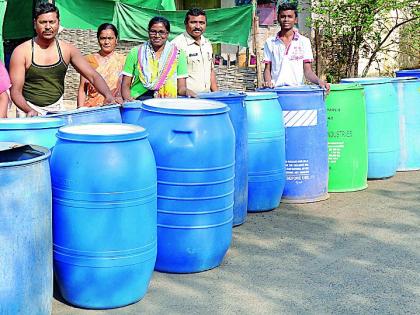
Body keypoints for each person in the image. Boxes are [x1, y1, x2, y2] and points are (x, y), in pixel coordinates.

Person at [9, 2, 118, 117]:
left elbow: (93, 76)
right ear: (35, 24)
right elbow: (15, 92)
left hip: (57, 108)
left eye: (52, 22)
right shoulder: (21, 52)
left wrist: (108, 96)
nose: (47, 27)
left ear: (58, 23)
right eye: (43, 22)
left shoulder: (67, 50)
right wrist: (29, 110)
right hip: (27, 108)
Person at [121, 16, 194, 101]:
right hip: (138, 100)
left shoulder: (178, 54)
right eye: (153, 32)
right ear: (148, 32)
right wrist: (129, 101)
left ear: (167, 33)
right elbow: (125, 84)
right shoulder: (136, 52)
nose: (157, 35)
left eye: (161, 32)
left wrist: (187, 91)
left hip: (167, 101)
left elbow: (181, 88)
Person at [263, 2, 330, 93]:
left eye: (290, 16)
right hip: (276, 92)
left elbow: (308, 71)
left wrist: (319, 82)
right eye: (283, 16)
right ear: (278, 18)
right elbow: (267, 69)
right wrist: (268, 82)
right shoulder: (270, 42)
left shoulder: (304, 42)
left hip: (297, 92)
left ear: (296, 20)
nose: (286, 19)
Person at [77, 23, 125, 107]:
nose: (106, 42)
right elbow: (82, 88)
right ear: (98, 40)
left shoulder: (123, 61)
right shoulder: (88, 60)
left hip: (116, 106)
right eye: (103, 38)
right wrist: (79, 109)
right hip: (92, 108)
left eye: (110, 38)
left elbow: (127, 86)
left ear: (116, 40)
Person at [172, 8, 218, 94]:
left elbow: (210, 70)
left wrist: (217, 94)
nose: (197, 26)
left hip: (207, 97)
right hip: (186, 99)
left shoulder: (207, 43)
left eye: (201, 23)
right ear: (185, 24)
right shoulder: (177, 45)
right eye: (193, 22)